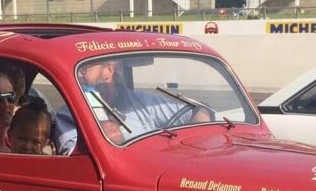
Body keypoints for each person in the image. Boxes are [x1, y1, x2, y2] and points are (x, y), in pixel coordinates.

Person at [55, 58, 210, 153]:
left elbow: (195, 111)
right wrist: (99, 139)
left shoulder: (140, 101)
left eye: (84, 69)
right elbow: (73, 158)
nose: (79, 75)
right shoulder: (69, 114)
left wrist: (195, 146)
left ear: (109, 70)